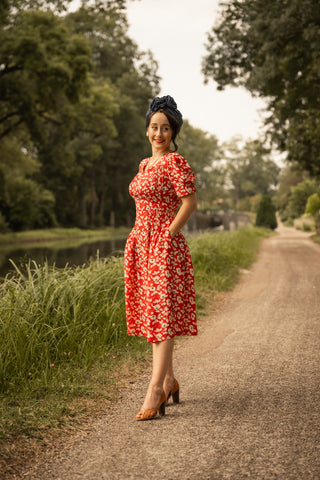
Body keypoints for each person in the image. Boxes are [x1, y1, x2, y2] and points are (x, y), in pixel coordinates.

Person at [124, 95, 197, 421]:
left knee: (162, 315)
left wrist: (167, 235)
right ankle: (168, 380)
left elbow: (189, 204)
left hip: (164, 245)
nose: (158, 133)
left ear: (173, 131)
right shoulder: (144, 164)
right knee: (153, 314)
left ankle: (155, 388)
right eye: (154, 127)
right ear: (147, 130)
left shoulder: (175, 162)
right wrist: (141, 237)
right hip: (141, 243)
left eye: (165, 128)